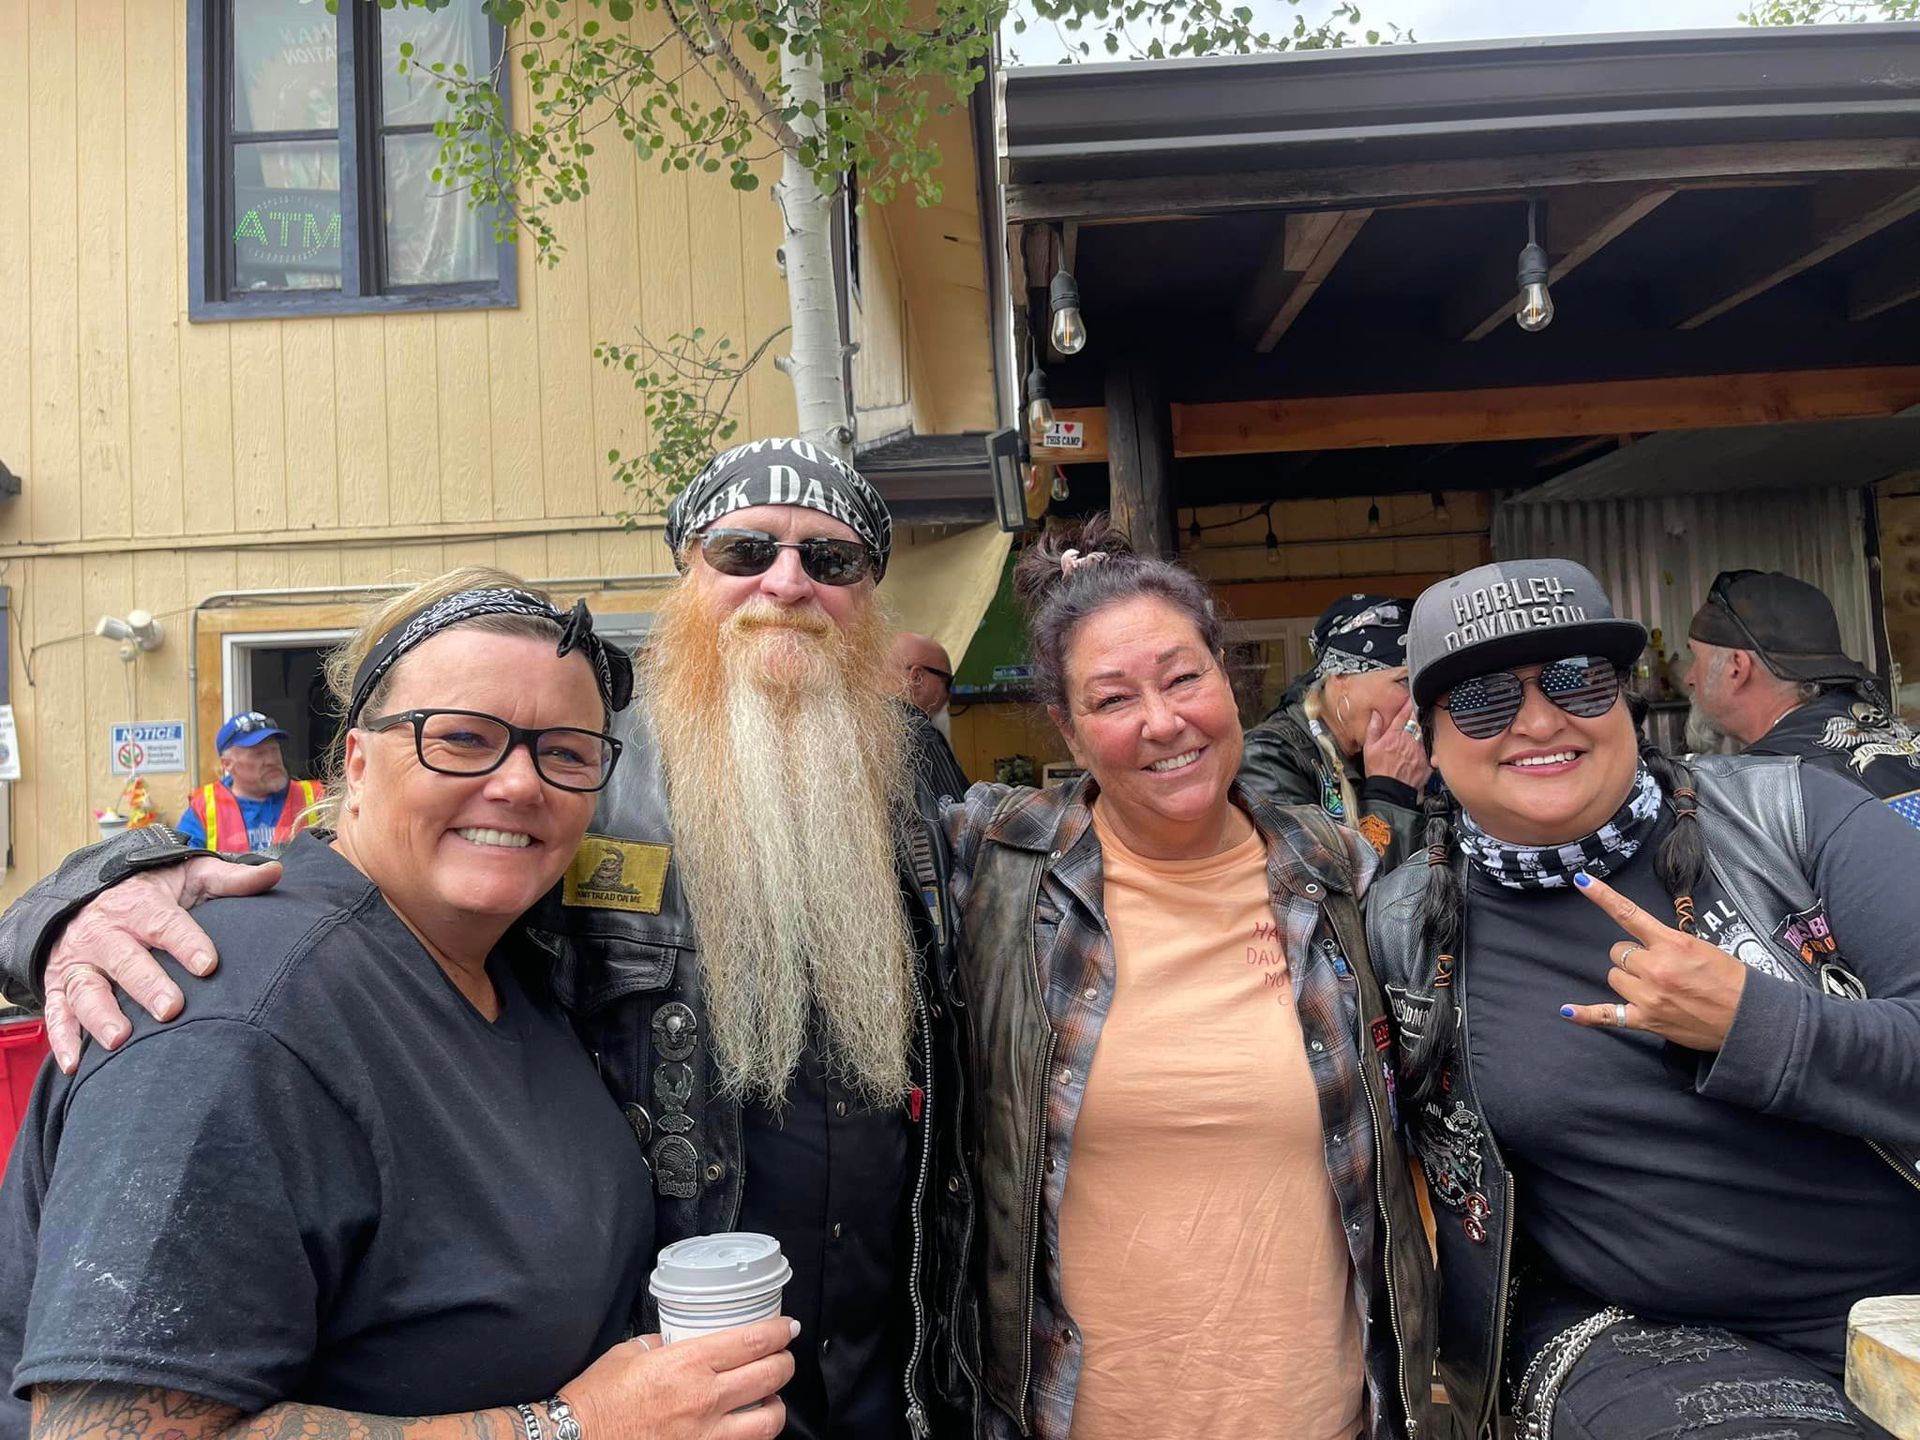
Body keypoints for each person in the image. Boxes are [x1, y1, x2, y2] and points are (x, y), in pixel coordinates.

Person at [0, 440, 973, 1440]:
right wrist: (87, 894)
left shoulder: (914, 778)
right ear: (687, 574)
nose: (788, 582)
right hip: (667, 1379)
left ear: (872, 598)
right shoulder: (592, 775)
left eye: (833, 560)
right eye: (743, 551)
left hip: (877, 1379)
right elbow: (347, 893)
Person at [1367, 557, 1920, 1440]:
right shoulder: (1403, 928)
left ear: (1625, 699)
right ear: (1425, 739)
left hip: (1899, 1307)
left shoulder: (1794, 816)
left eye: (1579, 682)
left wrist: (1755, 1022)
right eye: (1482, 698)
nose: (1540, 721)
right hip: (1640, 1341)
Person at [945, 520, 1436, 1440]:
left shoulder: (1340, 879)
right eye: (1112, 698)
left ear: (1226, 675)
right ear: (1066, 727)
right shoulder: (993, 872)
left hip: (1323, 1418)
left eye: (1183, 678)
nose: (1162, 722)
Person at [1686, 568, 1920, 819]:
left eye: (1695, 659)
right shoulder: (1905, 739)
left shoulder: (1765, 786)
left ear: (1736, 668)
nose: (1689, 678)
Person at [1239, 594, 1431, 870]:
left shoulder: (1401, 755)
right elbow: (1325, 893)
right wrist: (1390, 793)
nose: (1416, 704)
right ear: (1341, 677)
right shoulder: (1269, 758)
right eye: (1403, 681)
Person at [173, 711, 324, 854]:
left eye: (274, 750)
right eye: (258, 754)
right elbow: (181, 863)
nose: (272, 760)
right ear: (227, 764)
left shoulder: (315, 797)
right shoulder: (205, 807)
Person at [890, 631, 969, 803]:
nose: (949, 696)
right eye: (948, 683)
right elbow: (960, 820)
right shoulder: (919, 734)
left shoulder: (851, 726)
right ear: (917, 678)